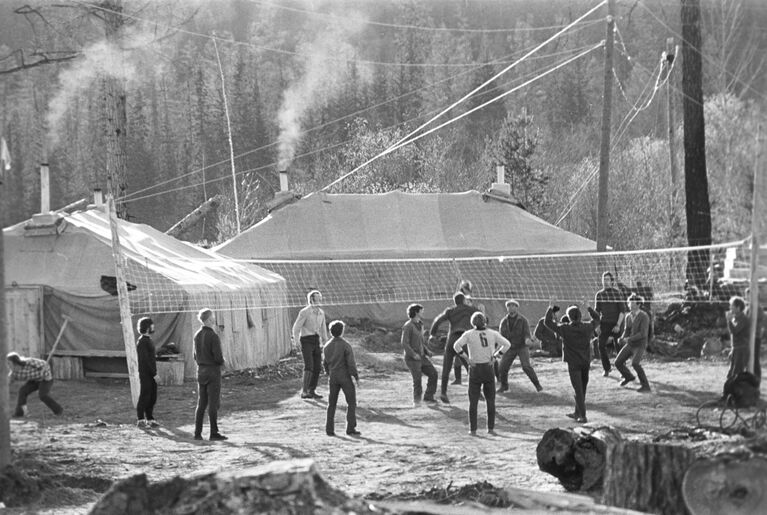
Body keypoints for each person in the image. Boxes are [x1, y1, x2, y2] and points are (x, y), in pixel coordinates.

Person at [453, 312, 511, 436]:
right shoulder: (492, 333)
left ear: (472, 322)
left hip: (475, 368)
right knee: (491, 400)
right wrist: (496, 356)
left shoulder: (468, 334)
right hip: (488, 367)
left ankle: (473, 429)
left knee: (473, 401)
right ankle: (490, 428)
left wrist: (467, 358)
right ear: (485, 321)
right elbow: (507, 344)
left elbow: (456, 346)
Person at [544, 300, 600, 424]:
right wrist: (589, 308)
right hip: (585, 361)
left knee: (578, 390)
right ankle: (577, 413)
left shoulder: (565, 328)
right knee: (582, 388)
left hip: (573, 363)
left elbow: (547, 322)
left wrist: (551, 307)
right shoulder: (587, 327)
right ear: (580, 316)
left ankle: (583, 416)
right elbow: (597, 319)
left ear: (568, 317)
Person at [429, 292, 478, 403]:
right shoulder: (471, 310)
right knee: (470, 367)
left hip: (451, 340)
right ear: (464, 300)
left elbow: (438, 320)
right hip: (464, 340)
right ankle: (477, 392)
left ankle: (443, 393)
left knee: (446, 368)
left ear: (455, 301)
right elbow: (483, 318)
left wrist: (432, 334)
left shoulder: (450, 310)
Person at [193, 308, 227, 441]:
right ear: (208, 320)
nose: (214, 320)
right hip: (213, 370)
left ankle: (197, 433)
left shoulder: (197, 335)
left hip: (201, 370)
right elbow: (218, 357)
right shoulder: (213, 336)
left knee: (201, 403)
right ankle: (213, 432)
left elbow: (194, 355)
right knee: (213, 402)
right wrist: (223, 363)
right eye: (212, 318)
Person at [322, 320, 360, 437]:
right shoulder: (345, 345)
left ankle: (329, 429)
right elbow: (351, 363)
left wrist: (329, 373)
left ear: (330, 332)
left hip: (333, 376)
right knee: (351, 402)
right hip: (344, 376)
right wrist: (355, 376)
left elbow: (325, 363)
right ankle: (350, 428)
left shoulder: (326, 346)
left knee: (331, 403)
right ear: (342, 331)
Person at [496, 299, 543, 393]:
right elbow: (501, 337)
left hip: (522, 346)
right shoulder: (504, 322)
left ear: (517, 308)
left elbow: (526, 334)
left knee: (526, 366)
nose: (511, 307)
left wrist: (527, 341)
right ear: (507, 308)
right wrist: (498, 350)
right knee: (502, 368)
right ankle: (504, 386)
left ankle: (537, 385)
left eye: (513, 305)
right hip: (509, 347)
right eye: (509, 306)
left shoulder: (523, 320)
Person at [292, 290, 329, 399]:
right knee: (309, 365)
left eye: (320, 298)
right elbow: (296, 327)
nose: (319, 300)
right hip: (306, 340)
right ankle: (304, 391)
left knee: (317, 367)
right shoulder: (305, 312)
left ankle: (311, 390)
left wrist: (325, 342)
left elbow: (323, 329)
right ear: (311, 299)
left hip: (316, 340)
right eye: (317, 298)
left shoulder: (321, 313)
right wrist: (297, 341)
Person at [401, 304, 438, 406]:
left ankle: (428, 397)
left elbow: (421, 342)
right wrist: (413, 354)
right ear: (416, 312)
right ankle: (416, 401)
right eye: (421, 311)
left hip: (422, 356)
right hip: (412, 358)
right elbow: (404, 343)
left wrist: (427, 351)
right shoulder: (408, 326)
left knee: (433, 373)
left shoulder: (420, 325)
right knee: (417, 380)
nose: (423, 312)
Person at [6, 352, 63, 417]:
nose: (8, 365)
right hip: (34, 381)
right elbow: (6, 383)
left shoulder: (29, 362)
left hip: (45, 379)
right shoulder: (14, 374)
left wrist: (46, 374)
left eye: (9, 363)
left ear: (15, 362)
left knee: (43, 395)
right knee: (22, 391)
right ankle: (20, 413)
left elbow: (45, 364)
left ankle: (58, 410)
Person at [615, 294, 652, 392]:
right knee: (617, 362)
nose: (629, 304)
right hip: (630, 344)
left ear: (638, 304)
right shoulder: (628, 316)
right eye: (628, 302)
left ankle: (646, 386)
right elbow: (627, 330)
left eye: (632, 302)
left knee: (635, 363)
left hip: (640, 345)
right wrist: (622, 338)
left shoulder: (644, 316)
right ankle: (628, 377)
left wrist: (629, 339)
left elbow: (643, 334)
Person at [595, 272, 627, 376]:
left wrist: (618, 325)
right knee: (600, 345)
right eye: (604, 280)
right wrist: (597, 325)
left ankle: (623, 370)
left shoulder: (617, 293)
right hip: (604, 323)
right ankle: (607, 368)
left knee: (618, 346)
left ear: (612, 281)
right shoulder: (599, 294)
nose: (606, 282)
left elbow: (622, 311)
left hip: (616, 323)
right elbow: (597, 312)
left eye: (608, 279)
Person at [456, 280, 487, 384]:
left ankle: (476, 378)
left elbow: (483, 321)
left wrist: (482, 312)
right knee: (458, 356)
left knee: (470, 358)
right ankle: (458, 378)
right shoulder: (461, 305)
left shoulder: (474, 309)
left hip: (471, 335)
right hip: (461, 334)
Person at [136, 317, 160, 428]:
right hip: (146, 374)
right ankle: (140, 419)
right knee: (145, 396)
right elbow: (145, 360)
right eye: (151, 324)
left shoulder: (148, 340)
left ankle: (150, 418)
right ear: (147, 327)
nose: (153, 326)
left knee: (152, 397)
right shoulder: (142, 342)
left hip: (151, 373)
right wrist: (154, 374)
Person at [725, 296, 750, 381]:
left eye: (731, 305)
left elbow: (735, 332)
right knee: (731, 374)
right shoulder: (735, 318)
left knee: (737, 374)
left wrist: (729, 321)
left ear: (738, 308)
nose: (730, 308)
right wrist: (732, 349)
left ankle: (736, 392)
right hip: (736, 348)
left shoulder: (743, 319)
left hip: (742, 349)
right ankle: (729, 392)